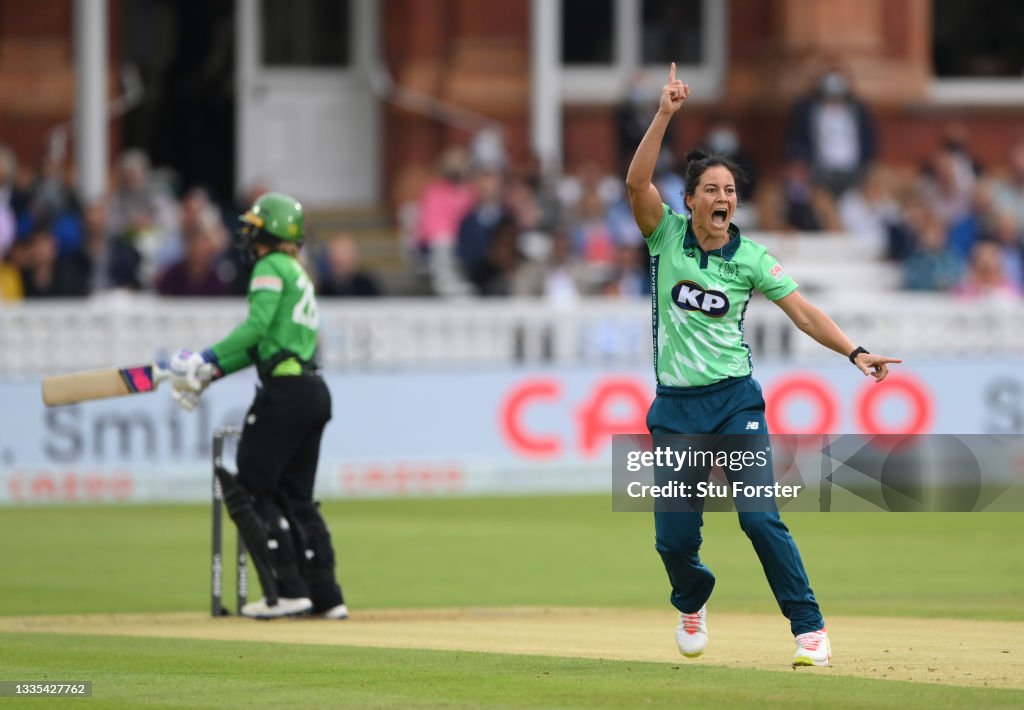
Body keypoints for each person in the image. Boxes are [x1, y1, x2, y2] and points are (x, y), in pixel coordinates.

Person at [625, 63, 901, 667]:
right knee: (673, 540)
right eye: (711, 190)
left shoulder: (751, 258)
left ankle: (810, 629)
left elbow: (802, 313)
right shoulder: (665, 237)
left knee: (759, 517)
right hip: (675, 412)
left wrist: (854, 351)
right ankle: (692, 597)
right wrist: (665, 113)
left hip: (735, 404)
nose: (723, 199)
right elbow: (635, 182)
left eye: (730, 191)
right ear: (690, 199)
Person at [167, 192, 349, 620]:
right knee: (297, 495)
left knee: (250, 484)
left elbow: (255, 328)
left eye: (254, 225)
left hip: (284, 393)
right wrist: (208, 373)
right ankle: (327, 595)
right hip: (312, 389)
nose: (247, 233)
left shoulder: (270, 267)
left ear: (270, 231)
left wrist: (205, 357)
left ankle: (287, 592)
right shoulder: (298, 271)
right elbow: (262, 347)